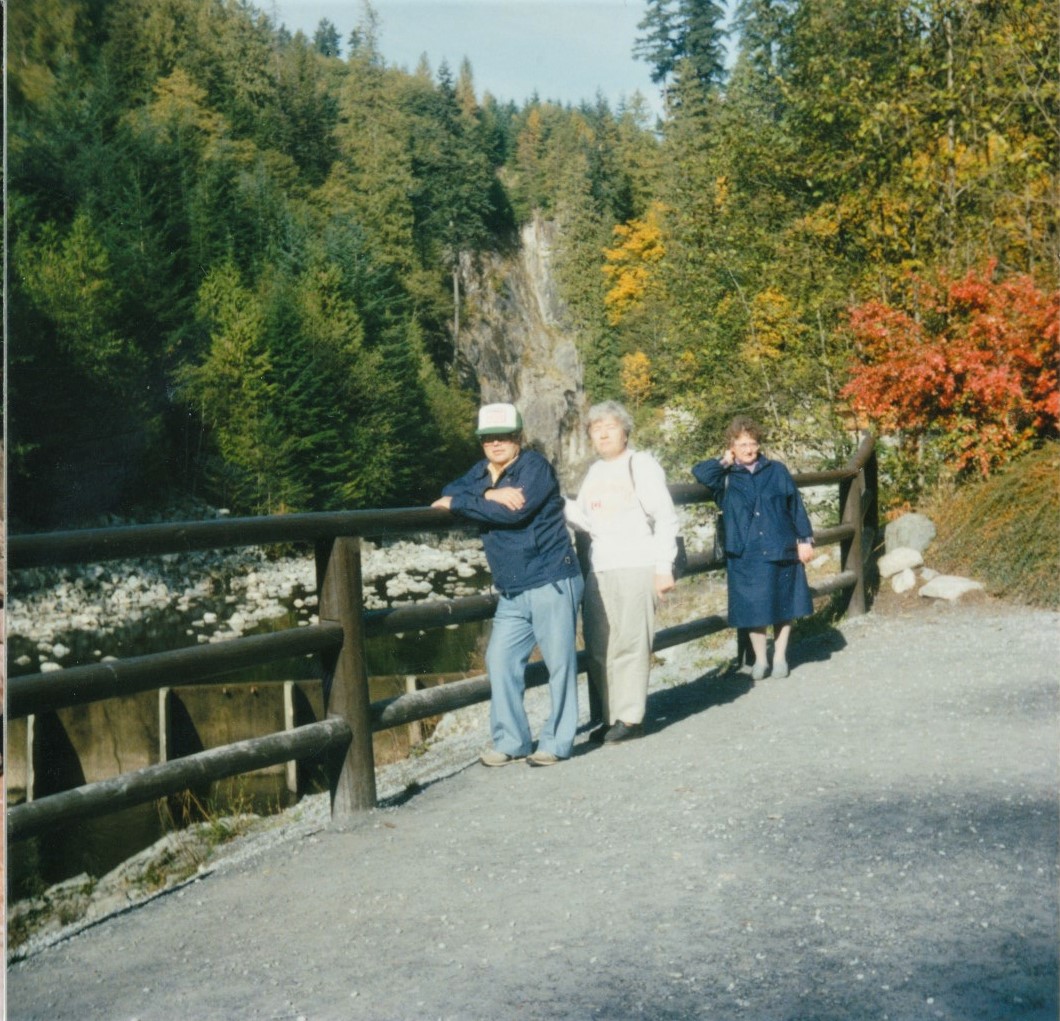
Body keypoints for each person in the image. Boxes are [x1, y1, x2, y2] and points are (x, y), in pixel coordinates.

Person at [432, 402, 584, 767]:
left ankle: (557, 740)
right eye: (488, 439)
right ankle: (512, 740)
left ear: (518, 438)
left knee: (559, 663)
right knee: (499, 660)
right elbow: (447, 490)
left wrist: (470, 502)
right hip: (512, 589)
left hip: (551, 579)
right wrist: (485, 494)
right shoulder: (481, 473)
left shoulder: (535, 467)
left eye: (503, 437)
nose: (496, 444)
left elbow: (511, 512)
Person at [565, 400, 678, 744]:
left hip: (636, 563)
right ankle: (610, 715)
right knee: (601, 644)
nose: (602, 434)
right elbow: (585, 519)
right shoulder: (595, 472)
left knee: (631, 641)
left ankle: (630, 718)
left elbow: (665, 517)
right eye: (595, 429)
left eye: (609, 427)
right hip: (600, 569)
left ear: (625, 431)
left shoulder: (640, 465)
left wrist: (663, 568)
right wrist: (554, 503)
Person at [692, 416, 815, 680]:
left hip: (779, 545)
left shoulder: (777, 470)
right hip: (745, 551)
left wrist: (804, 540)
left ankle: (780, 657)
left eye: (753, 443)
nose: (749, 449)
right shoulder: (725, 475)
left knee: (785, 603)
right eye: (742, 444)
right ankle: (760, 660)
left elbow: (795, 506)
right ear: (732, 446)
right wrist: (725, 460)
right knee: (753, 607)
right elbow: (701, 473)